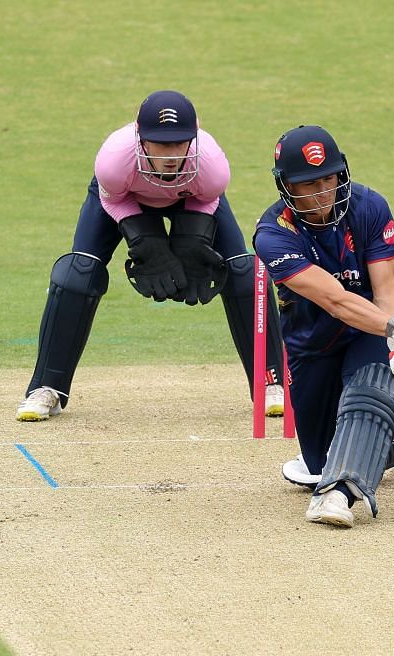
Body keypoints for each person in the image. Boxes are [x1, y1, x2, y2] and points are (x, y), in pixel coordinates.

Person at [17, 91, 285, 423]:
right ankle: (46, 388)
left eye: (179, 143)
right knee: (77, 274)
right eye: (160, 144)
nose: (171, 154)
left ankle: (271, 382)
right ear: (140, 137)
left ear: (195, 136)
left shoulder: (212, 165)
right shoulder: (114, 160)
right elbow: (112, 198)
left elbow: (207, 198)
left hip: (193, 199)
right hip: (124, 198)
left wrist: (190, 240)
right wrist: (146, 238)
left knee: (244, 273)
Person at [251, 124, 394, 529]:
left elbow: (385, 289)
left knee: (367, 395)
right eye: (308, 184)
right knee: (318, 460)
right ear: (285, 186)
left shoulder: (370, 207)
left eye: (328, 178)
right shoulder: (273, 235)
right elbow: (336, 300)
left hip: (369, 330)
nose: (322, 192)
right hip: (312, 345)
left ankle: (337, 495)